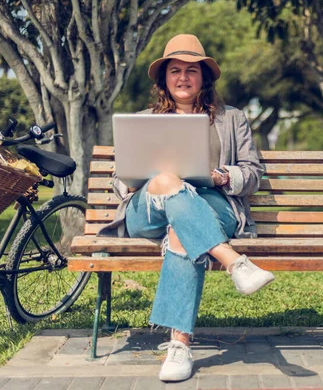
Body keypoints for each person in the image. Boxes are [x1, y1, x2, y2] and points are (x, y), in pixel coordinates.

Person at [98, 34, 275, 382]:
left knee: (182, 229)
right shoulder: (144, 118)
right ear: (164, 78)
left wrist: (223, 176)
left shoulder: (231, 119)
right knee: (165, 179)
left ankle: (179, 345)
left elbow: (253, 174)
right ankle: (233, 262)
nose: (183, 77)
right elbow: (119, 176)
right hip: (148, 210)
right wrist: (131, 180)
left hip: (212, 206)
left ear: (203, 77)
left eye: (191, 70)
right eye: (175, 70)